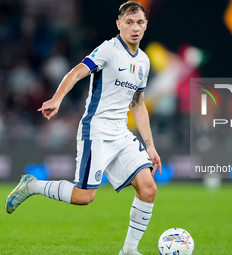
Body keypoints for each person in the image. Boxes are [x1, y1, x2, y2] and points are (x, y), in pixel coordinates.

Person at [5, 1, 161, 254]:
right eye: (129, 22)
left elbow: (139, 105)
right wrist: (57, 98)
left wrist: (150, 147)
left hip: (121, 133)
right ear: (119, 24)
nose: (135, 27)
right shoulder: (109, 49)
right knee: (83, 197)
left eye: (140, 22)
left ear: (145, 25)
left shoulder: (143, 61)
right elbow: (77, 72)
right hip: (96, 131)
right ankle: (32, 185)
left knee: (148, 188)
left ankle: (129, 251)